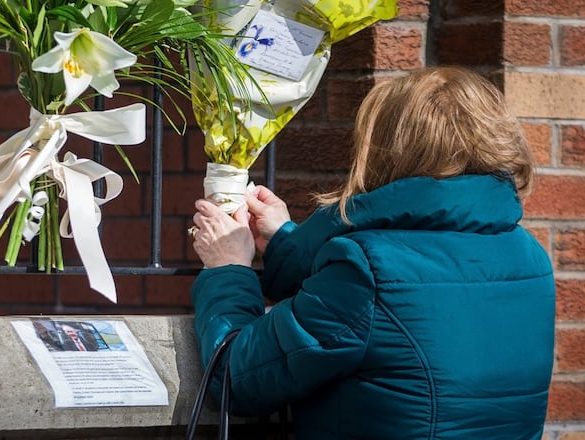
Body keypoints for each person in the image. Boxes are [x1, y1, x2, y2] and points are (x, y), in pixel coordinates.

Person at [189, 67, 555, 439]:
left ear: (387, 149)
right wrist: (283, 242)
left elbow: (236, 378)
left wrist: (229, 268)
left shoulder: (368, 269)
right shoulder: (529, 256)